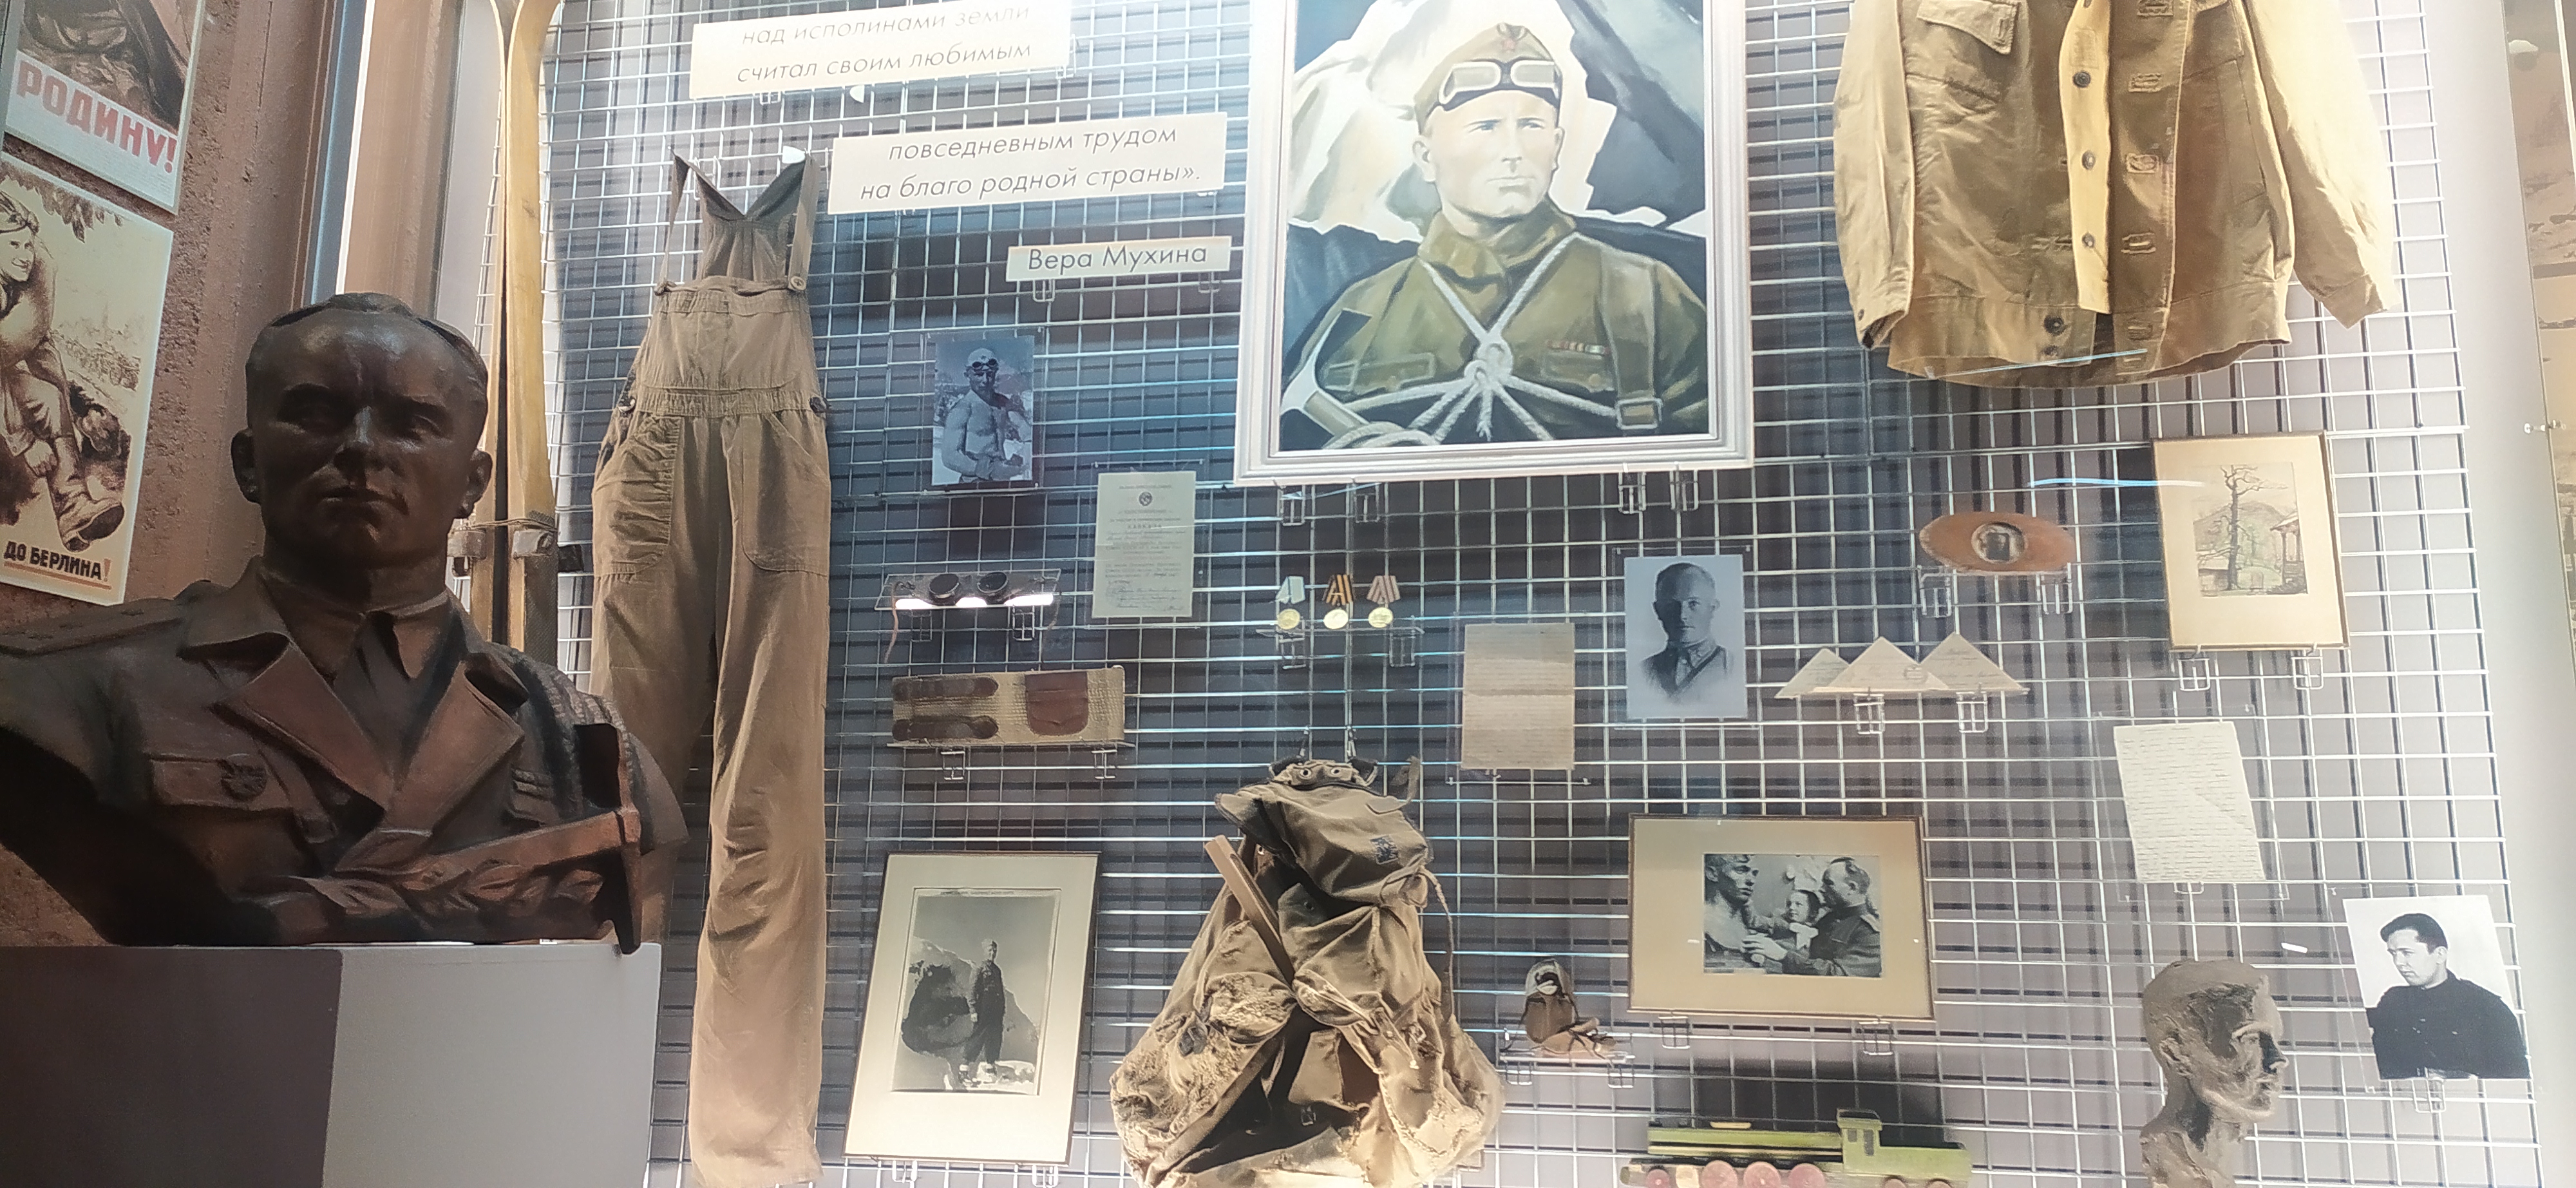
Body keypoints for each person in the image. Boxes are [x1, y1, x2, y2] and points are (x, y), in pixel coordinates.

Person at [0, 292, 684, 947]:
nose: (361, 446)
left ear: (472, 484)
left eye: (411, 424)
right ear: (248, 463)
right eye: (316, 414)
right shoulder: (60, 691)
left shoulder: (577, 741)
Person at [1281, 24, 1708, 449]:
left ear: (1557, 146)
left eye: (1531, 126)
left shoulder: (1645, 295)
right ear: (1426, 157)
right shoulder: (1361, 312)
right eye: (1486, 126)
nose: (1513, 151)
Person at [0, 191, 123, 548]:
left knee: (50, 398)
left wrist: (73, 408)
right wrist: (24, 442)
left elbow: (40, 350)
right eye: (14, 245)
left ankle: (73, 509)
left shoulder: (19, 290)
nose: (25, 256)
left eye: (28, 245)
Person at [2139, 960, 2286, 1188]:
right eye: (2250, 1039)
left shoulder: (2216, 1158)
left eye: (2276, 1039)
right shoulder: (2179, 1164)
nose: (2278, 1059)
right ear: (2176, 1054)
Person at [2365, 912, 2529, 1079]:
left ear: (2440, 954)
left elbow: (2516, 1079)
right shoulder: (2394, 1001)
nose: (2398, 963)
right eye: (2393, 954)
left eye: (2406, 953)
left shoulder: (2487, 1008)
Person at [1748, 858, 1880, 977]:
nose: (1821, 889)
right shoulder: (1828, 919)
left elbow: (1838, 975)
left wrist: (1783, 956)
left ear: (1852, 888)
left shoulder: (1869, 932)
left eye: (1829, 883)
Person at [936, 347, 1030, 483]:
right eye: (979, 375)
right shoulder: (962, 409)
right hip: (974, 482)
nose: (985, 380)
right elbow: (949, 456)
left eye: (990, 374)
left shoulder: (1002, 403)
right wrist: (988, 470)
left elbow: (1025, 429)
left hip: (1001, 479)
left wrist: (1027, 456)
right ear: (967, 375)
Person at [1643, 562, 1727, 700]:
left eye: (1693, 603)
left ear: (1712, 608)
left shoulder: (1734, 667)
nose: (1682, 615)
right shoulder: (1642, 672)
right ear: (1658, 610)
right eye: (1671, 605)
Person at [1701, 853, 1770, 971]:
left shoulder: (1754, 926)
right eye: (1741, 870)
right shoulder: (1699, 922)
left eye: (1754, 874)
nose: (1751, 880)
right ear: (1712, 874)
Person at [966, 938, 1008, 1084]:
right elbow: (971, 991)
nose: (993, 953)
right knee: (977, 1038)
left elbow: (1000, 991)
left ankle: (990, 1069)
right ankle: (964, 1070)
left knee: (994, 1038)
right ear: (984, 951)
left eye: (995, 950)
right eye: (990, 950)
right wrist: (973, 1010)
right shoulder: (979, 969)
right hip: (983, 1008)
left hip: (996, 1011)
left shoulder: (997, 970)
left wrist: (1002, 1009)